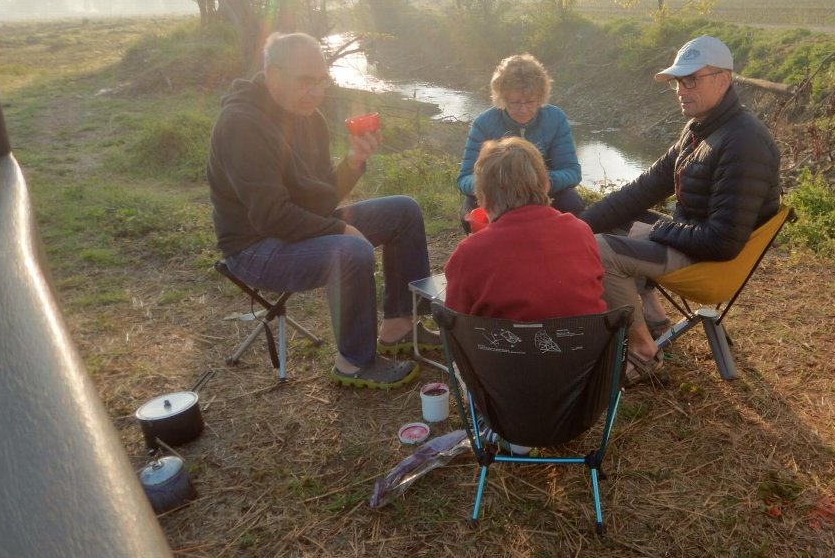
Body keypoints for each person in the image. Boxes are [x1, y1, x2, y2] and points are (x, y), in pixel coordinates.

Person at [207, 32, 438, 390]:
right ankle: (353, 363)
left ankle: (398, 327)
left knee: (403, 212)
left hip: (292, 226)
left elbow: (319, 200)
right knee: (351, 250)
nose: (316, 92)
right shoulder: (241, 124)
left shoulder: (308, 118)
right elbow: (271, 217)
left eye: (321, 81)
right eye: (305, 81)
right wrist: (342, 230)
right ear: (272, 75)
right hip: (254, 247)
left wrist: (354, 160)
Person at [579, 35, 782, 384]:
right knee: (609, 224)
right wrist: (573, 227)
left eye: (691, 80)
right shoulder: (700, 129)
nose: (680, 90)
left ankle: (643, 351)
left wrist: (657, 230)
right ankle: (654, 316)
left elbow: (723, 242)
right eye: (677, 81)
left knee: (600, 251)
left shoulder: (744, 142)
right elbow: (643, 188)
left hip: (713, 263)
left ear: (723, 79)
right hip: (691, 237)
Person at [445, 137, 604, 319]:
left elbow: (454, 321)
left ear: (482, 197)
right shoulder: (581, 231)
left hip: (504, 347)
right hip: (585, 344)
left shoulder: (469, 252)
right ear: (545, 185)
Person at [456, 53, 584, 230]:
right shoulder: (484, 124)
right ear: (501, 98)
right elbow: (464, 178)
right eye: (515, 102)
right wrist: (493, 186)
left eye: (531, 102)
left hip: (543, 193)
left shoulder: (555, 119)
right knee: (469, 210)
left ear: (541, 97)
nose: (523, 110)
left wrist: (544, 182)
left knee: (572, 203)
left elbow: (571, 171)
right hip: (498, 196)